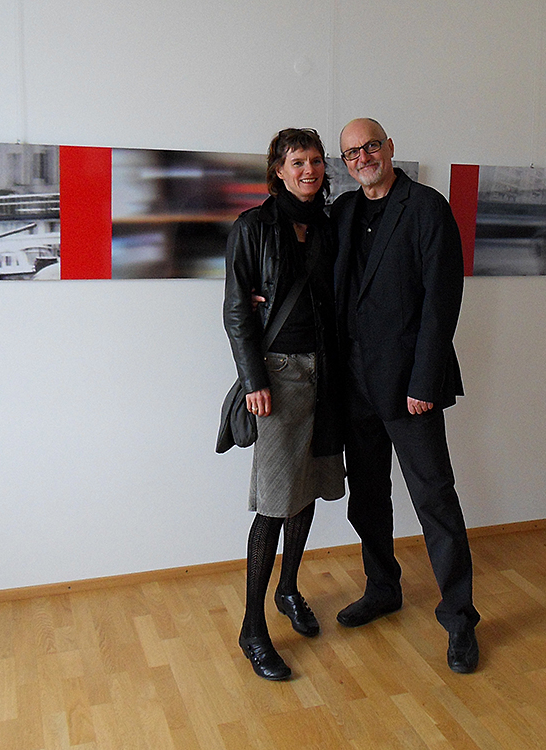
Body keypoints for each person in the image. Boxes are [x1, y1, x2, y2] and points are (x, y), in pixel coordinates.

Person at [331, 118, 480, 673]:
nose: (363, 157)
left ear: (389, 147)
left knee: (434, 500)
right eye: (352, 153)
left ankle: (460, 619)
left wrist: (424, 382)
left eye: (370, 146)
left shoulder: (426, 208)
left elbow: (442, 303)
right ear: (346, 162)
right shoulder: (343, 212)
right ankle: (382, 588)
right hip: (354, 385)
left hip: (409, 387)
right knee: (367, 497)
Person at [222, 128, 345, 681]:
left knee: (308, 489)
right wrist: (253, 380)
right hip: (277, 376)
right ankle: (252, 629)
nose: (309, 170)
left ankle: (288, 590)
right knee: (275, 503)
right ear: (278, 169)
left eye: (316, 161)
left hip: (326, 374)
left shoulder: (329, 225)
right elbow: (235, 310)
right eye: (298, 161)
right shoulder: (253, 227)